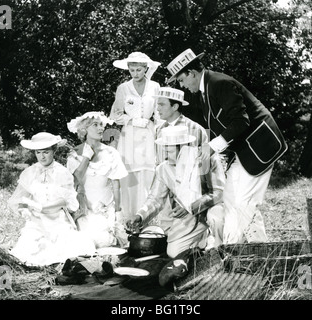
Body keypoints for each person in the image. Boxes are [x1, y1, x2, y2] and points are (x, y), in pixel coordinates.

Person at [166, 48, 288, 244]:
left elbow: (241, 121)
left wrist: (212, 147)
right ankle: (235, 249)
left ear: (192, 73)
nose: (182, 86)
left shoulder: (220, 83)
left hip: (260, 146)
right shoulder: (205, 91)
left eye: (181, 80)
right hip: (242, 151)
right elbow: (220, 126)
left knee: (244, 203)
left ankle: (260, 251)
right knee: (230, 199)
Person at [127, 126, 226, 258]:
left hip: (213, 208)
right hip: (190, 218)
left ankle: (222, 251)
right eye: (165, 150)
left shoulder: (207, 159)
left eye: (170, 150)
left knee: (217, 219)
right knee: (174, 253)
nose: (166, 155)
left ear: (184, 147)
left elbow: (219, 193)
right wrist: (140, 216)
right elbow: (155, 199)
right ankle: (202, 241)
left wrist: (190, 206)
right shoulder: (163, 169)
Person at [8, 132, 95, 266]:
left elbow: (66, 201)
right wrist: (23, 210)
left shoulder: (62, 172)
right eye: (38, 152)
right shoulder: (30, 172)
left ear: (54, 150)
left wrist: (44, 207)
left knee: (64, 248)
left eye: (46, 152)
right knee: (31, 249)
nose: (42, 156)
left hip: (57, 218)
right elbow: (19, 199)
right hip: (37, 219)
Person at [109, 52, 161, 222]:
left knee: (148, 173)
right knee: (130, 176)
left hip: (148, 132)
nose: (135, 73)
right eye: (132, 70)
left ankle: (147, 218)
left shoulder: (154, 86)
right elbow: (115, 115)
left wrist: (160, 131)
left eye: (139, 70)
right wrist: (132, 120)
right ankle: (129, 219)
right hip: (129, 134)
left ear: (146, 69)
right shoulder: (123, 88)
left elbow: (159, 113)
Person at [66, 111, 129, 248]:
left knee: (104, 242)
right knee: (86, 242)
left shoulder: (111, 153)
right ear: (84, 129)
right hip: (84, 209)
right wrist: (86, 158)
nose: (101, 128)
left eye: (102, 125)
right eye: (95, 125)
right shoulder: (75, 153)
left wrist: (118, 212)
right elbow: (73, 183)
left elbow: (116, 185)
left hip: (105, 209)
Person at [153, 87, 209, 165]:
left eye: (162, 105)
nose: (158, 109)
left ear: (175, 107)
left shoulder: (195, 129)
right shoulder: (158, 130)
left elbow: (207, 162)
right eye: (157, 105)